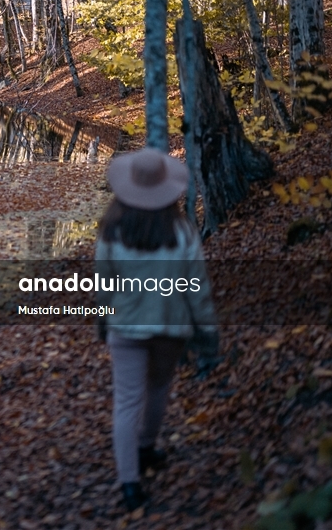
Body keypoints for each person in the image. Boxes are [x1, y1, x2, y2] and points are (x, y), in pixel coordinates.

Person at [95, 147, 218, 512]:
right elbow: (197, 289)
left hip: (126, 327)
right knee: (159, 388)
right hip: (169, 326)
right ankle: (147, 446)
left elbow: (103, 285)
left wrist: (103, 321)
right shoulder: (181, 233)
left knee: (127, 401)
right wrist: (207, 333)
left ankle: (129, 483)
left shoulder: (111, 232)